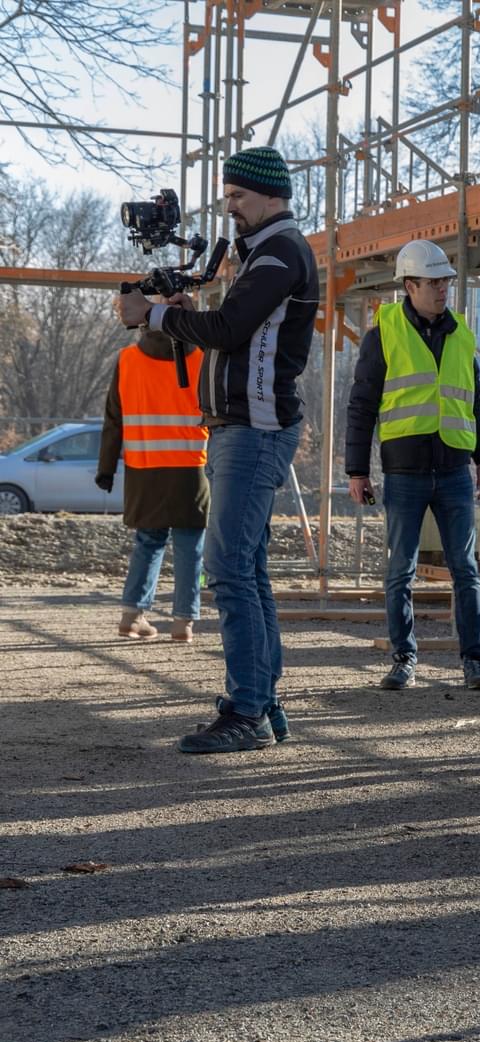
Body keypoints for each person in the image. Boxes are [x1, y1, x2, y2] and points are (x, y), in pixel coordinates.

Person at [115, 145, 317, 753]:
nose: (229, 207)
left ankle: (249, 710)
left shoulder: (280, 252)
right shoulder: (266, 253)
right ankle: (261, 703)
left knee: (230, 569)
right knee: (246, 570)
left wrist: (154, 313)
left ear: (271, 196)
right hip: (243, 426)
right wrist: (178, 313)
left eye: (237, 197)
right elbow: (234, 332)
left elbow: (230, 332)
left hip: (254, 429)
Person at [345, 239, 480, 692]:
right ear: (409, 286)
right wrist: (357, 470)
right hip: (405, 472)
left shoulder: (461, 333)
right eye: (433, 282)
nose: (442, 290)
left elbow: (474, 401)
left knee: (465, 569)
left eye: (446, 282)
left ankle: (474, 661)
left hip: (453, 469)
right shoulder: (383, 333)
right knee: (400, 571)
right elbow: (361, 405)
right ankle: (403, 658)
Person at [97, 329, 209, 645]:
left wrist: (106, 468)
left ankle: (131, 617)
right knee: (190, 543)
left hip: (143, 468)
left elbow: (113, 417)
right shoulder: (201, 357)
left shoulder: (127, 359)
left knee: (148, 540)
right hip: (190, 468)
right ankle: (183, 622)